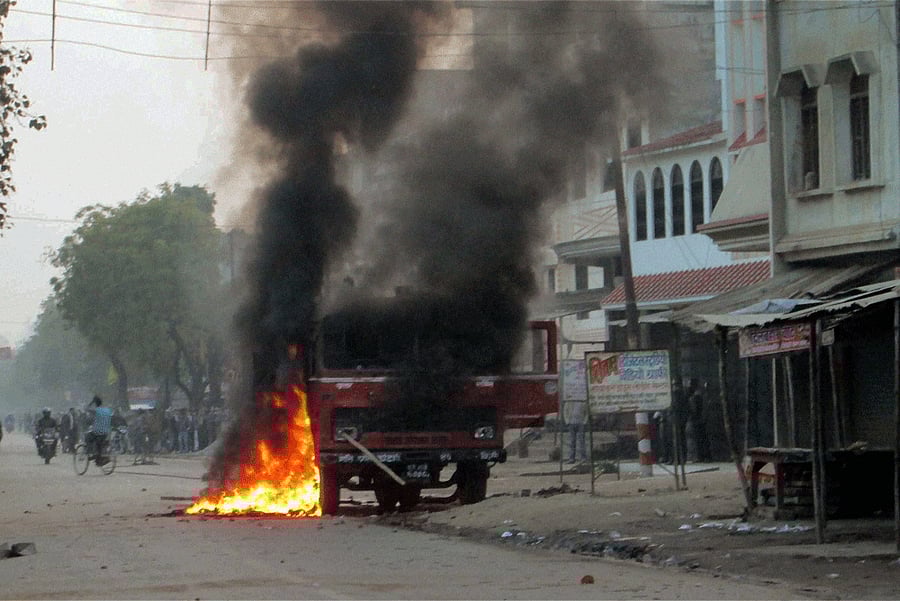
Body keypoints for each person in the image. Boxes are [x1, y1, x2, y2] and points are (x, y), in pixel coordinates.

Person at [85, 396, 113, 460]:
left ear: (95, 404)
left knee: (88, 438)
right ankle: (98, 456)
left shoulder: (96, 410)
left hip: (97, 431)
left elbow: (86, 408)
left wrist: (91, 402)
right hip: (106, 432)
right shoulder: (107, 410)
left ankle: (91, 453)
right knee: (99, 443)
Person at [563, 400, 589, 464]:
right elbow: (565, 411)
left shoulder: (583, 402)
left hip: (581, 423)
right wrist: (567, 422)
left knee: (582, 441)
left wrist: (584, 422)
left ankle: (583, 458)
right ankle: (571, 458)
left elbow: (587, 413)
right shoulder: (568, 402)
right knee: (572, 441)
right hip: (571, 423)